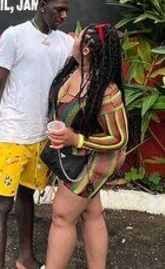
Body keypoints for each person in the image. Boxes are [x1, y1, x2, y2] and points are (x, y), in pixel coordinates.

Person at [0, 0, 74, 269]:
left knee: (27, 196)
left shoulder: (64, 43)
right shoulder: (15, 36)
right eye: (59, 10)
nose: (64, 16)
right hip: (12, 134)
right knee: (1, 205)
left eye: (67, 11)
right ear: (42, 6)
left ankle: (25, 258)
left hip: (41, 134)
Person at [44, 24, 128, 269]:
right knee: (91, 212)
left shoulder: (106, 91)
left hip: (95, 159)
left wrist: (76, 139)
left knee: (62, 215)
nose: (73, 38)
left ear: (88, 49)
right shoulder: (74, 67)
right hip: (73, 156)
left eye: (79, 38)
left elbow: (119, 138)